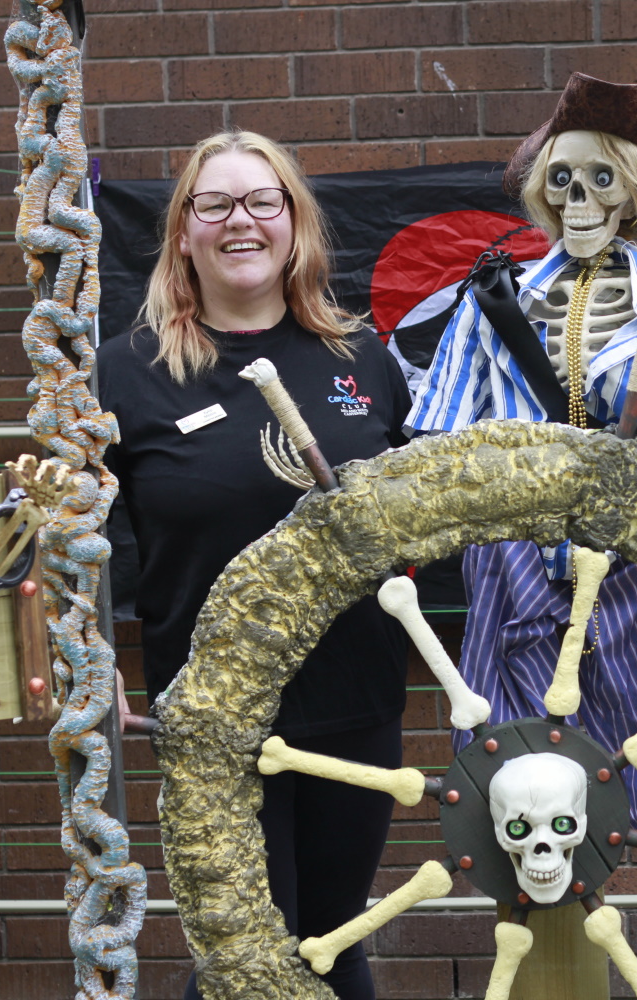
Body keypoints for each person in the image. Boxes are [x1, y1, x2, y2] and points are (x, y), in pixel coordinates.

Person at [406, 74, 637, 855]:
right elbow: (437, 445)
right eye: (561, 178)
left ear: (635, 190)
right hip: (517, 573)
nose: (578, 197)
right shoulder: (488, 302)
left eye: (599, 178)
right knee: (523, 785)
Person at [98, 130, 410, 1000]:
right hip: (215, 716)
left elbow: (417, 518)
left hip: (354, 704)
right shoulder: (126, 374)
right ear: (183, 233)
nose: (242, 221)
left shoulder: (363, 361)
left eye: (263, 202)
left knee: (333, 939)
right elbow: (67, 537)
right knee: (244, 956)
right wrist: (87, 661)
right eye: (216, 204)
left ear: (295, 225)